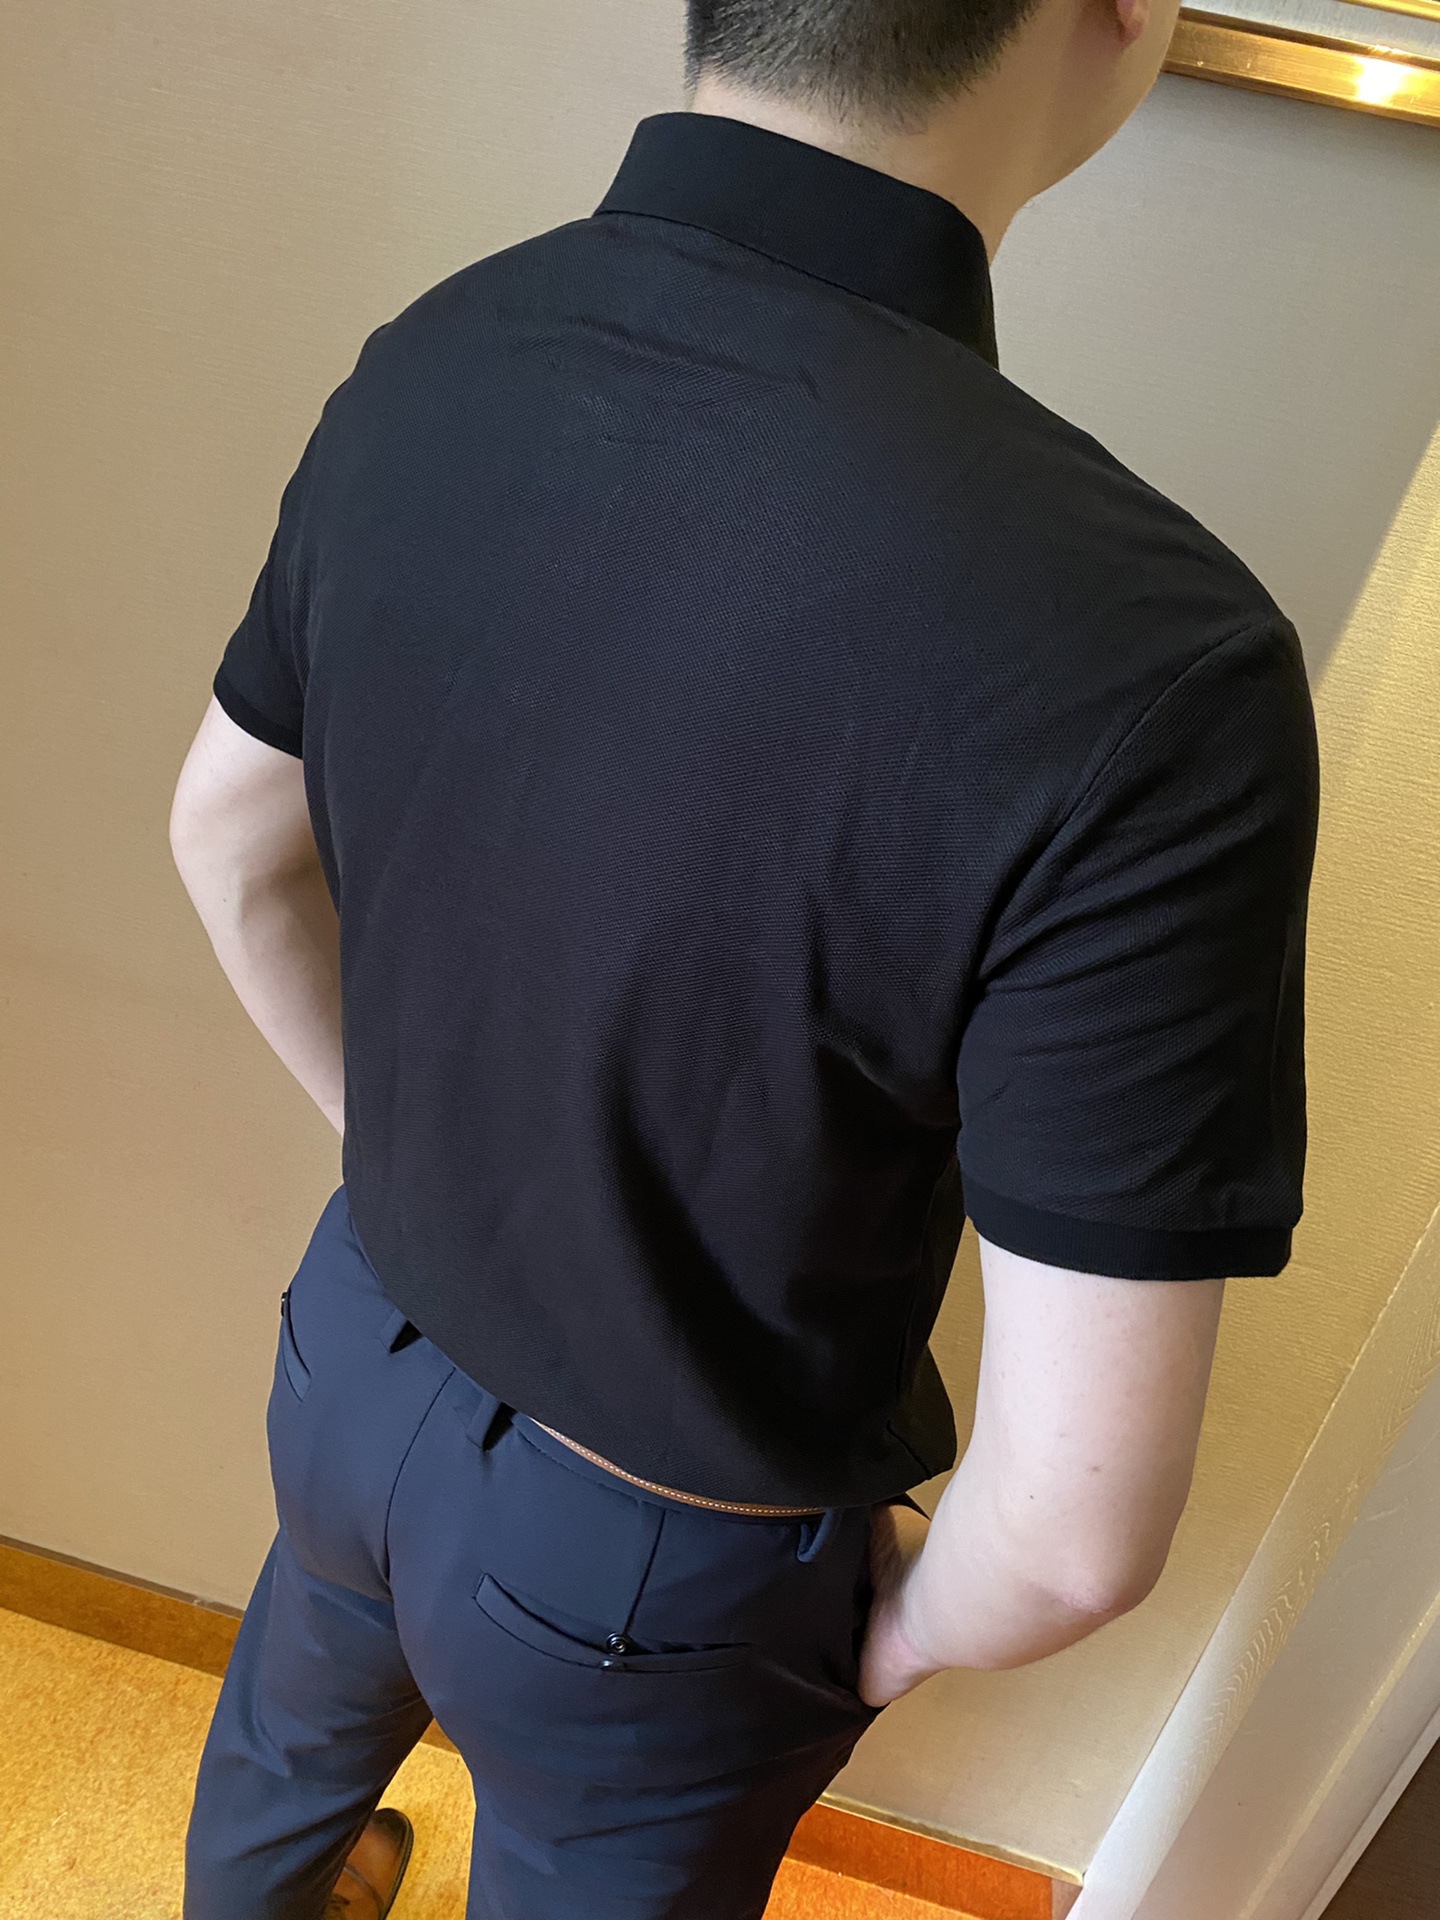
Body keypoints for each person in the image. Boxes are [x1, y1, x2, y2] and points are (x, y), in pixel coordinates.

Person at [168, 0, 1319, 1914]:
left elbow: (226, 839)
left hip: (353, 1342)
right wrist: (891, 1633)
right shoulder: (1155, 663)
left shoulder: (440, 346)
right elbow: (1073, 1531)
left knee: (290, 1740)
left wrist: (419, 1161)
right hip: (654, 1555)